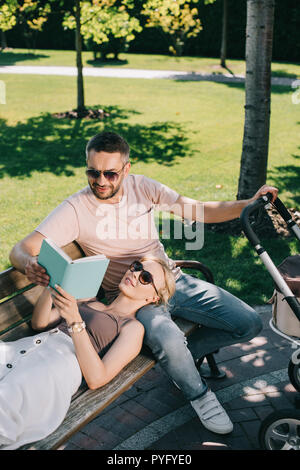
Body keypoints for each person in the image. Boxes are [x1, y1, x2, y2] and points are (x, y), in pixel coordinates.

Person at [9, 131, 279, 436]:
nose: (101, 181)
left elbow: (198, 210)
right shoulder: (75, 209)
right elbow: (20, 249)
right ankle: (199, 394)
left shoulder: (144, 187)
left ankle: (180, 362)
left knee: (249, 323)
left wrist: (250, 202)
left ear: (125, 169)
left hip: (173, 280)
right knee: (169, 339)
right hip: (133, 299)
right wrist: (29, 263)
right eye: (93, 172)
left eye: (110, 173)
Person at [0, 256, 175, 450]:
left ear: (153, 298)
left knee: (7, 399)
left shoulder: (132, 328)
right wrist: (53, 286)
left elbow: (97, 378)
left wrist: (75, 321)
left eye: (145, 277)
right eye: (136, 267)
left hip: (60, 364)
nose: (135, 274)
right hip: (31, 347)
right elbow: (39, 323)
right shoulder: (87, 299)